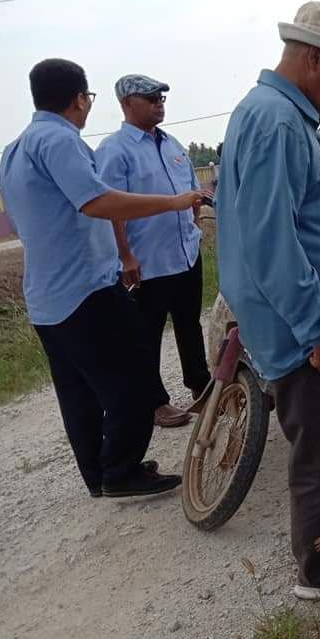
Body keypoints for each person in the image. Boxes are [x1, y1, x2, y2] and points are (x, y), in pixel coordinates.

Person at [217, 2, 320, 601]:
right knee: (317, 448)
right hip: (300, 328)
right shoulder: (279, 123)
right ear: (312, 56)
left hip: (312, 312)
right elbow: (272, 245)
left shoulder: (269, 114)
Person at [0, 58, 204, 498]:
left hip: (47, 295)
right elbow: (96, 202)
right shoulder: (62, 140)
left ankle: (100, 474)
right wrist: (171, 203)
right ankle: (122, 472)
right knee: (133, 374)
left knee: (79, 391)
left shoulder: (15, 149)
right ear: (79, 99)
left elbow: (19, 221)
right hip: (85, 289)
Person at [96, 75, 211, 428]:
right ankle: (155, 402)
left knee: (190, 323)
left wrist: (193, 225)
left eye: (161, 97)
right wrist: (125, 256)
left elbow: (193, 190)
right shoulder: (114, 150)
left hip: (184, 254)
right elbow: (109, 208)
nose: (159, 103)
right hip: (147, 262)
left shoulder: (173, 144)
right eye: (150, 98)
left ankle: (200, 386)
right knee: (146, 334)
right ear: (127, 103)